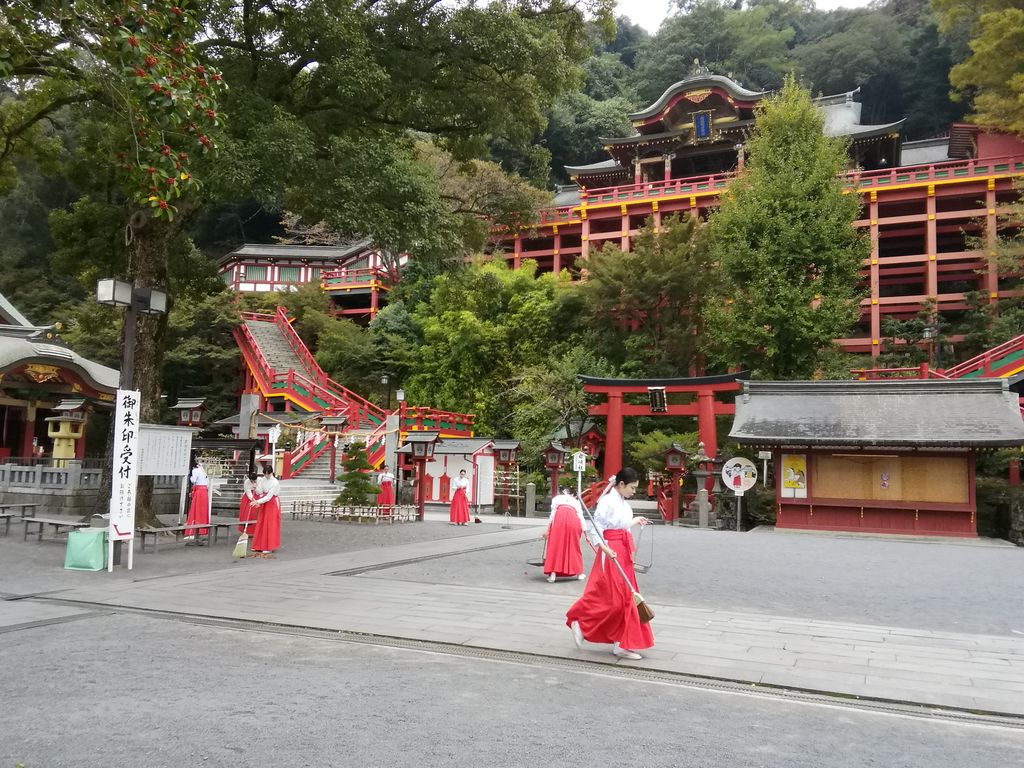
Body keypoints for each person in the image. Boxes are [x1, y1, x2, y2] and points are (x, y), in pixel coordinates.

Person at [565, 468, 653, 660]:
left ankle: (621, 642)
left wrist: (635, 521)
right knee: (613, 597)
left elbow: (620, 525)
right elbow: (597, 526)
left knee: (625, 597)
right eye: (632, 487)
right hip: (611, 549)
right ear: (621, 484)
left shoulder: (620, 501)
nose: (633, 491)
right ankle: (582, 622)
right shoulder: (607, 501)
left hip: (622, 549)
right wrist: (603, 548)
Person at [543, 490, 586, 583]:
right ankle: (579, 573)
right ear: (573, 495)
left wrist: (548, 530)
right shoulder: (575, 502)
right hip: (573, 521)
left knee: (555, 547)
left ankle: (553, 574)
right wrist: (586, 534)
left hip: (559, 520)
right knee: (573, 547)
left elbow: (552, 516)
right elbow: (581, 517)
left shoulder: (556, 499)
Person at [250, 466, 281, 558]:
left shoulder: (275, 482)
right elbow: (260, 491)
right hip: (264, 501)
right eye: (265, 474)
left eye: (268, 474)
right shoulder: (263, 479)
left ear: (271, 473)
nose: (266, 475)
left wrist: (257, 502)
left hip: (271, 503)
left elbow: (269, 496)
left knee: (270, 524)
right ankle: (258, 545)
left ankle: (269, 546)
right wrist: (255, 487)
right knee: (261, 522)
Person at [184, 456, 210, 546]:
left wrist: (190, 476)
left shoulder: (196, 470)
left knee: (197, 511)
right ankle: (199, 533)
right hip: (203, 492)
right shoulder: (203, 470)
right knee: (200, 512)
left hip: (199, 491)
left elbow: (193, 480)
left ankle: (195, 533)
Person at [237, 471, 258, 535]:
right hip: (248, 499)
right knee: (246, 514)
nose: (252, 481)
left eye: (253, 480)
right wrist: (254, 501)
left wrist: (256, 488)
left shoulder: (259, 480)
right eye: (251, 480)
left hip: (257, 496)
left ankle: (255, 531)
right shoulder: (246, 482)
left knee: (255, 514)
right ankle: (246, 531)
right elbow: (249, 493)